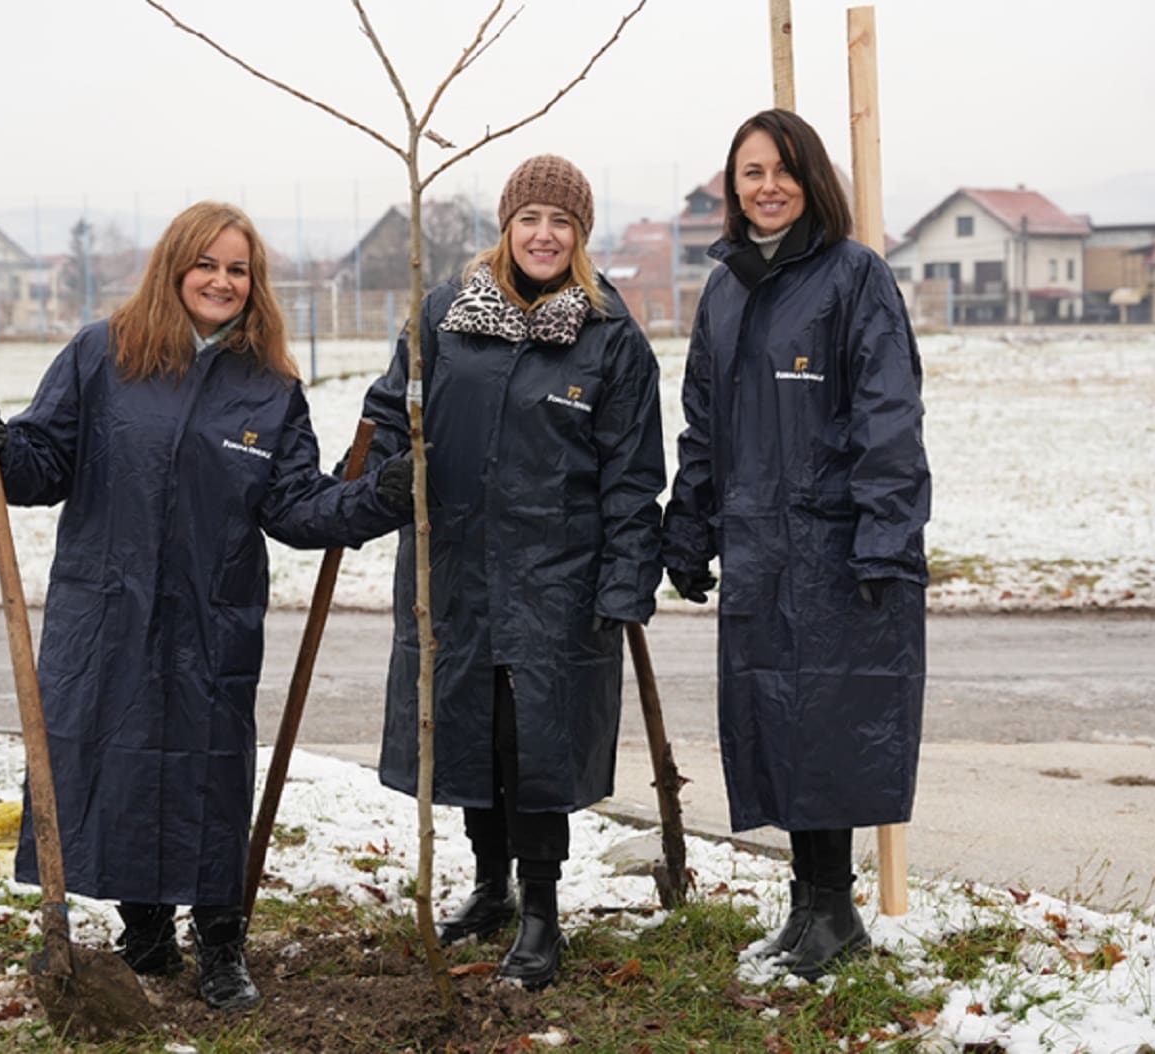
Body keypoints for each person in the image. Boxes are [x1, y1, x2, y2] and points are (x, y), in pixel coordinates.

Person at [0, 201, 413, 1012]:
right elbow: (43, 460)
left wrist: (378, 499)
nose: (222, 281)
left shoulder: (269, 389)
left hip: (211, 616)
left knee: (210, 774)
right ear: (175, 267)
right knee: (117, 761)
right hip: (108, 608)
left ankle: (222, 941)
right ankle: (145, 929)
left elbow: (297, 505)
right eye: (208, 264)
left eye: (238, 270)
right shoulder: (103, 354)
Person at [353, 155, 666, 990]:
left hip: (556, 583)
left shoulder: (610, 338)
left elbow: (634, 477)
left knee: (535, 749)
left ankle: (540, 913)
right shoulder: (444, 318)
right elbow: (394, 413)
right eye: (530, 218)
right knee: (467, 736)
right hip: (455, 572)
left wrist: (627, 579)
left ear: (581, 236)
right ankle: (488, 888)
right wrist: (382, 480)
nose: (543, 234)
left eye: (561, 222)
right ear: (506, 227)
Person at [662, 109, 931, 980]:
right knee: (778, 722)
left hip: (836, 544)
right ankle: (808, 906)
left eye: (781, 169)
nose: (766, 186)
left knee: (832, 726)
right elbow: (704, 423)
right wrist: (689, 526)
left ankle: (835, 910)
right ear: (732, 189)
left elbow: (888, 417)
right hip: (757, 548)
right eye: (750, 173)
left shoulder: (856, 279)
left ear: (811, 178)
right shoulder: (727, 289)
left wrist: (885, 540)